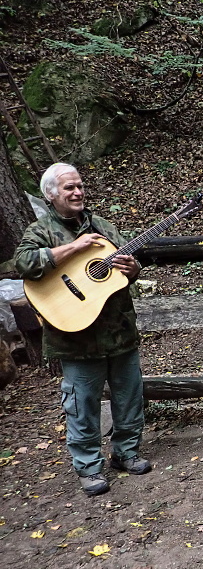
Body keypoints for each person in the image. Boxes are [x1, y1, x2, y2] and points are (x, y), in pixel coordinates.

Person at [15, 163, 151, 497]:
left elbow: (124, 271)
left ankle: (126, 453)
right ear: (51, 195)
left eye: (79, 186)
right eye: (68, 188)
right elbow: (25, 263)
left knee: (129, 397)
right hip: (75, 338)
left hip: (118, 332)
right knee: (82, 404)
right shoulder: (41, 230)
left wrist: (133, 268)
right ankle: (89, 468)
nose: (77, 193)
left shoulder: (103, 226)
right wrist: (75, 247)